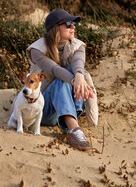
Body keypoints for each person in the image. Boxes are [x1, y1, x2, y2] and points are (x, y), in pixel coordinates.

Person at [26, 9, 98, 151]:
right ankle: (73, 129)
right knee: (61, 79)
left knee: (76, 72)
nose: (73, 27)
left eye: (74, 23)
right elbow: (54, 70)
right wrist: (75, 80)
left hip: (65, 105)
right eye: (68, 23)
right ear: (55, 28)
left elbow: (78, 63)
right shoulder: (37, 50)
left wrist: (79, 75)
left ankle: (71, 125)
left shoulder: (77, 45)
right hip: (41, 109)